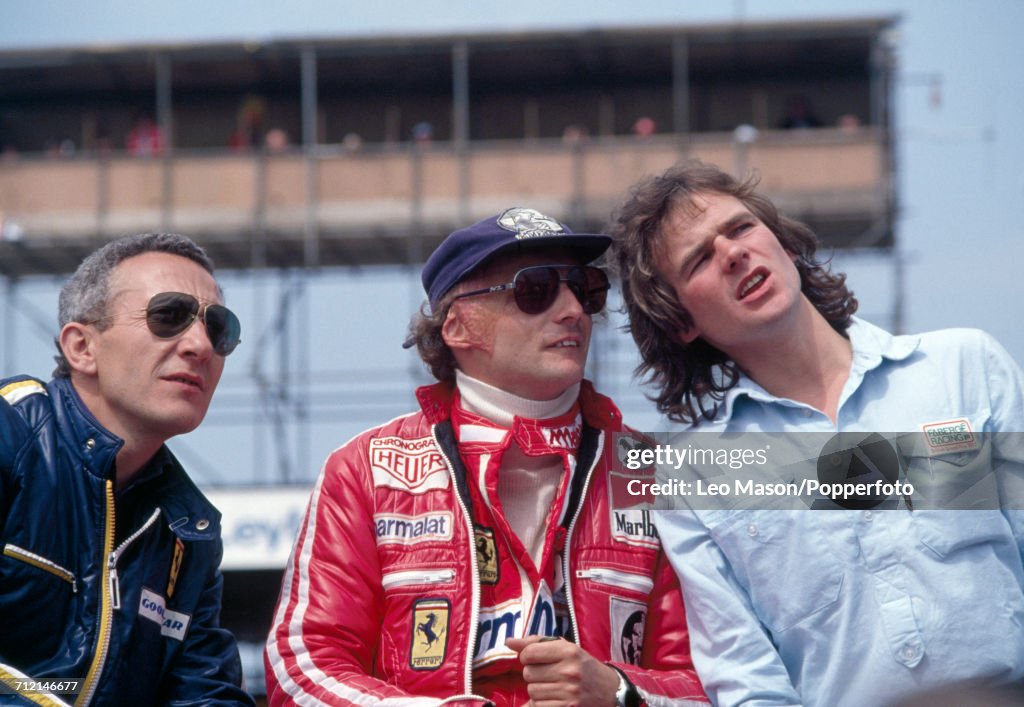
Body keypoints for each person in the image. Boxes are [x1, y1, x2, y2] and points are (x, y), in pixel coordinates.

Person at [609, 159, 1024, 706]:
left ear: (783, 243)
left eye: (739, 229)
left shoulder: (963, 368)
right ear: (681, 322)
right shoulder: (693, 475)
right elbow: (749, 683)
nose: (733, 253)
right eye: (700, 259)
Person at [265, 207, 708, 706]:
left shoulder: (654, 472)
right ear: (458, 326)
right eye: (535, 289)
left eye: (584, 289)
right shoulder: (364, 469)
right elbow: (303, 665)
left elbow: (726, 681)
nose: (573, 310)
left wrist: (623, 693)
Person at [0, 232, 253, 705]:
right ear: (82, 348)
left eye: (219, 328)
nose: (200, 345)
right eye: (168, 316)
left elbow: (202, 694)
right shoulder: (10, 434)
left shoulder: (189, 529)